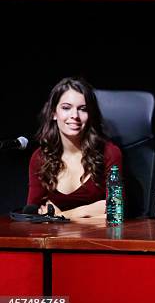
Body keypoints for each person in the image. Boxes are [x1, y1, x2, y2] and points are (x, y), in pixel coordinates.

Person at [27, 77, 122, 218]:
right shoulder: (40, 157)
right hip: (55, 239)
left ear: (90, 115)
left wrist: (63, 216)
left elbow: (115, 213)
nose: (74, 116)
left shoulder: (109, 153)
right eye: (66, 108)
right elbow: (32, 214)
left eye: (83, 109)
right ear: (54, 113)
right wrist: (92, 211)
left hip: (100, 238)